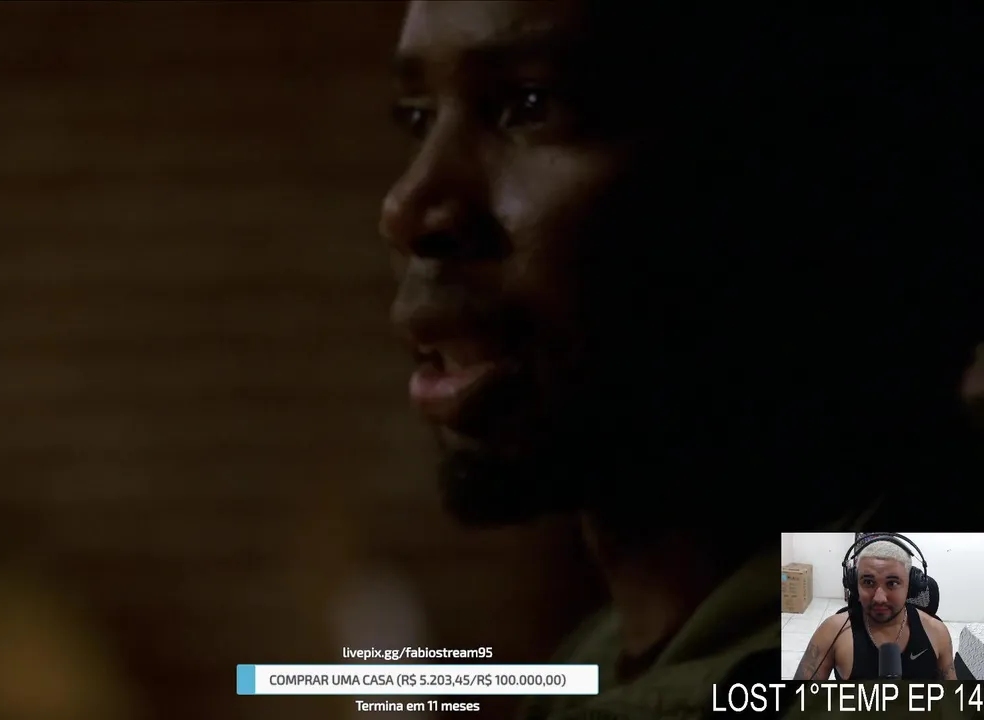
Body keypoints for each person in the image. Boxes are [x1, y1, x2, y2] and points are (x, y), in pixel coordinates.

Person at [378, 1, 980, 717]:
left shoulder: (908, 676)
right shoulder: (615, 662)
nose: (408, 209)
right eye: (416, 118)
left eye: (532, 104)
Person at [794, 541, 955, 681]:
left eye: (892, 583)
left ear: (910, 587)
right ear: (854, 584)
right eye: (868, 582)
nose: (879, 598)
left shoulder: (937, 632)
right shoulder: (832, 632)